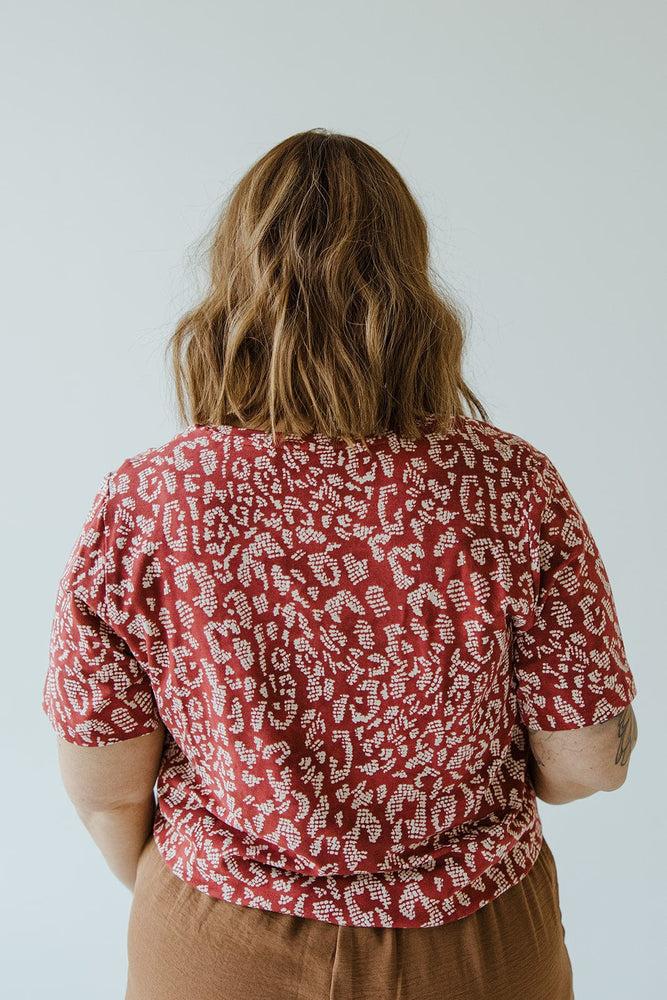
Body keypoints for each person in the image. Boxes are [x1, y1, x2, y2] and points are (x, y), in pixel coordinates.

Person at [42, 129, 638, 1000]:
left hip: (218, 936)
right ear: (409, 284)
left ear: (232, 286)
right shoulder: (510, 483)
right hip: (474, 940)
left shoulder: (151, 499)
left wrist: (210, 907)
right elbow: (589, 760)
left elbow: (103, 782)